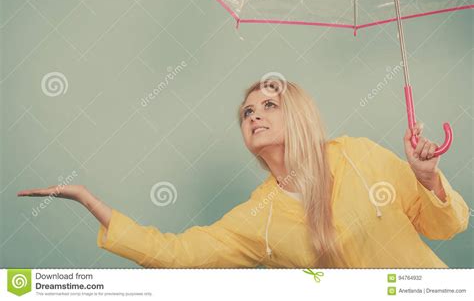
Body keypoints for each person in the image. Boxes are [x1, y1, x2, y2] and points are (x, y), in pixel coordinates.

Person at [18, 79, 469, 268]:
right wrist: (87, 199)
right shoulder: (260, 217)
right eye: (247, 112)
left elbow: (448, 226)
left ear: (298, 114)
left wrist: (427, 177)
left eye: (269, 105)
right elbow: (176, 254)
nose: (254, 115)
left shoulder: (357, 155)